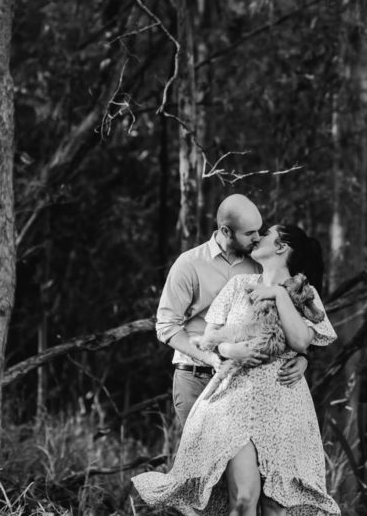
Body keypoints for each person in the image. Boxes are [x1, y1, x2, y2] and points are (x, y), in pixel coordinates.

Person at [134, 224, 340, 516]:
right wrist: (234, 351)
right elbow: (211, 340)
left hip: (285, 404)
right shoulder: (238, 285)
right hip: (236, 401)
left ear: (281, 247)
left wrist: (279, 295)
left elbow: (301, 341)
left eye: (266, 234)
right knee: (243, 498)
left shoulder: (305, 292)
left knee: (276, 507)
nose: (258, 237)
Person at [156, 194, 309, 425]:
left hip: (244, 381)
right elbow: (166, 326)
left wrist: (302, 357)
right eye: (249, 233)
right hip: (197, 377)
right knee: (198, 449)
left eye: (259, 231)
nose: (257, 238)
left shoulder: (260, 263)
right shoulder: (189, 264)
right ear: (226, 231)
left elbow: (285, 315)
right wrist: (212, 358)